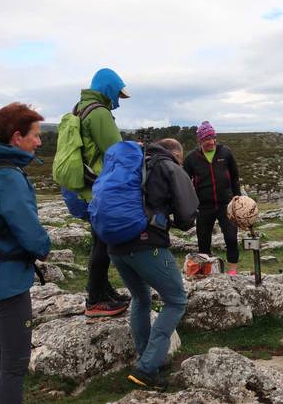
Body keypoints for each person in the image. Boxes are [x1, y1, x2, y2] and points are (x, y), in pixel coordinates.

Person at [0, 102, 51, 404]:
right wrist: (45, 247)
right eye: (35, 135)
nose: (40, 141)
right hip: (8, 278)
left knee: (1, 354)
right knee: (15, 362)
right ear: (17, 137)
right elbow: (28, 230)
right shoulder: (8, 176)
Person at [108, 138, 199, 390]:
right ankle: (147, 368)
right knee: (176, 300)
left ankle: (146, 358)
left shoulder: (132, 163)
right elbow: (186, 213)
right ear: (176, 154)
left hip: (115, 245)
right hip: (147, 244)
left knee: (141, 297)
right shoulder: (168, 165)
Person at [74, 68, 132, 317]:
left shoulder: (81, 107)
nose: (118, 99)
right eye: (117, 93)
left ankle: (102, 289)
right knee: (102, 242)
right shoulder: (99, 113)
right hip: (100, 186)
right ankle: (95, 298)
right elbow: (115, 150)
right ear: (107, 88)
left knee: (101, 240)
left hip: (88, 184)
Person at [182, 121, 241, 275]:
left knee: (231, 237)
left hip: (226, 204)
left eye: (213, 137)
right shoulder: (191, 158)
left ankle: (232, 270)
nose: (211, 142)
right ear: (200, 141)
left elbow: (235, 177)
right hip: (203, 206)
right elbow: (183, 181)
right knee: (203, 240)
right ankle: (207, 269)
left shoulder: (225, 152)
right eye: (207, 139)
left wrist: (237, 198)